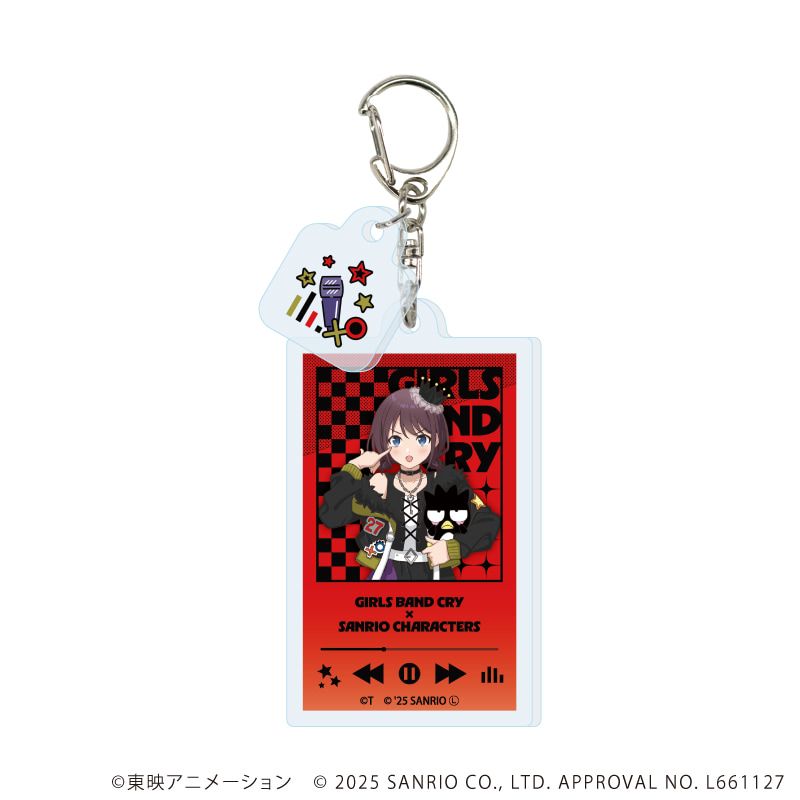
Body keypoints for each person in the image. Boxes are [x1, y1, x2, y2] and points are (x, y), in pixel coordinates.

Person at [319, 379, 500, 581]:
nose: (408, 451)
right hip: (389, 574)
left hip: (435, 575)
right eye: (396, 440)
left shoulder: (446, 484)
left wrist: (453, 548)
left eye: (421, 439)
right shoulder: (376, 485)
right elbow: (331, 516)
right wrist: (355, 466)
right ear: (384, 440)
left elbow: (488, 521)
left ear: (436, 439)